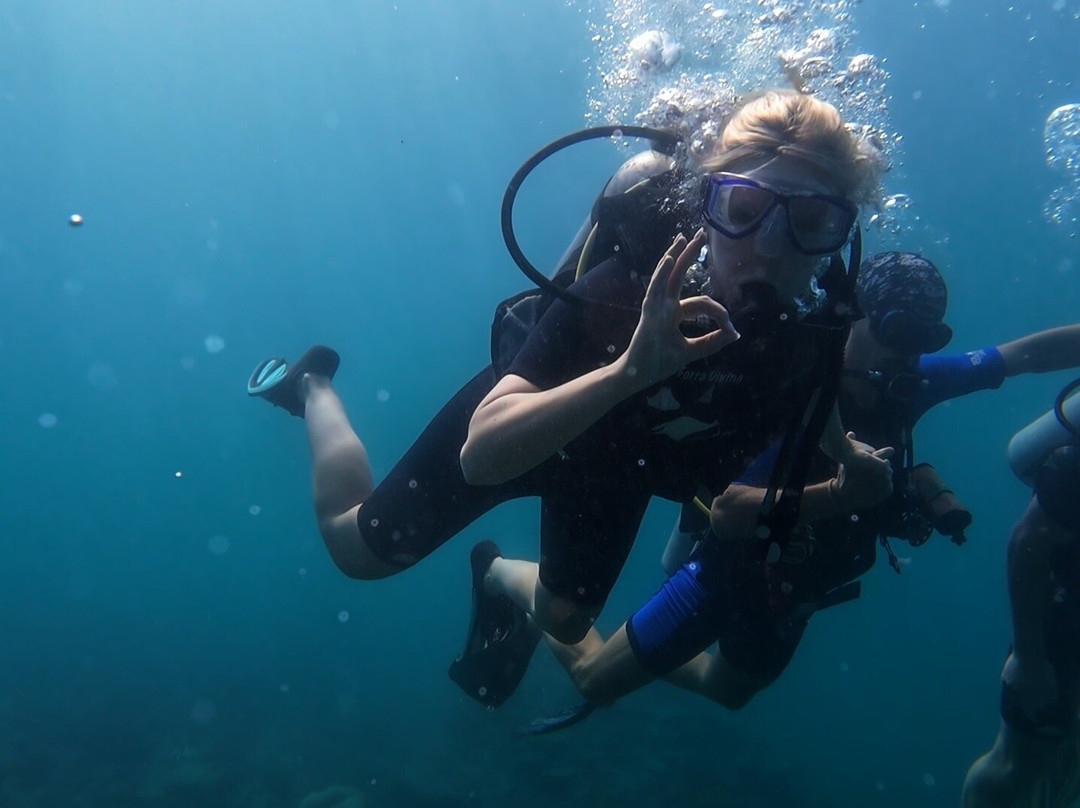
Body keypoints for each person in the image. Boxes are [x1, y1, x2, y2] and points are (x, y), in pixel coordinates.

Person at [248, 90, 887, 707]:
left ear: (841, 232)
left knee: (566, 622)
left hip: (619, 464)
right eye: (745, 209)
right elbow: (482, 456)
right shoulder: (626, 287)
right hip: (536, 420)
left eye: (811, 223)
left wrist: (845, 450)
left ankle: (495, 571)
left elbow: (813, 394)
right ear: (705, 202)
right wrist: (630, 371)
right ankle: (312, 386)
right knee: (355, 553)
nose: (772, 249)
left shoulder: (817, 320)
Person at [519, 252, 1080, 726]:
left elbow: (1025, 355)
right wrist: (837, 495)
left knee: (731, 690)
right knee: (595, 681)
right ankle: (501, 572)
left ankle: (646, 636)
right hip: (730, 569)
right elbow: (729, 513)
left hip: (798, 585)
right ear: (856, 315)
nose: (909, 352)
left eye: (927, 336)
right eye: (897, 330)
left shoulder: (913, 382)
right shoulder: (794, 380)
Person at [962, 386, 1080, 808]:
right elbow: (1027, 541)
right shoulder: (1073, 465)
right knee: (1020, 762)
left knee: (1063, 754)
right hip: (1063, 619)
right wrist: (1029, 658)